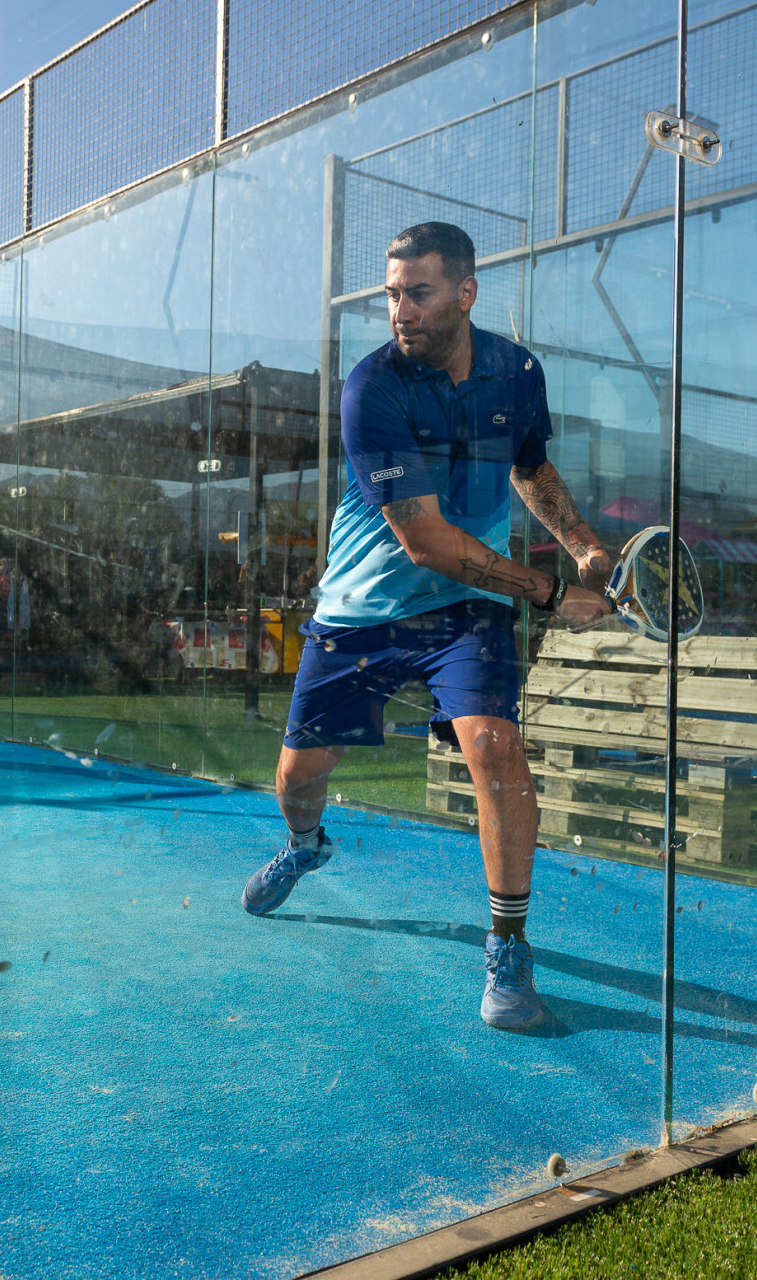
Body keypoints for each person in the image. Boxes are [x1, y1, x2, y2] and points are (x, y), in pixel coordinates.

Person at [238, 222, 615, 1032]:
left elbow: (529, 466)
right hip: (364, 608)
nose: (400, 310)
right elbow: (427, 542)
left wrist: (580, 541)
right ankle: (306, 844)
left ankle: (508, 944)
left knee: (496, 748)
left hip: (467, 611)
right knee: (296, 778)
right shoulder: (371, 387)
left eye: (418, 292)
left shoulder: (517, 372)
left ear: (465, 293)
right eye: (392, 294)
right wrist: (553, 593)